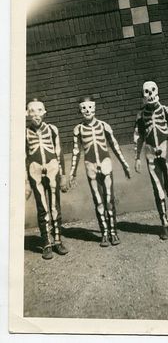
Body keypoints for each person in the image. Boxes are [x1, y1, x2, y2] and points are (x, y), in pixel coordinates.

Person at [69, 96, 131, 247]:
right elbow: (76, 151)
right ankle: (104, 233)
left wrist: (124, 164)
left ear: (94, 108)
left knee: (109, 199)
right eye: (84, 108)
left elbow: (115, 145)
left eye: (90, 107)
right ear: (79, 110)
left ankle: (113, 232)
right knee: (98, 201)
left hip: (106, 165)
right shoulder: (78, 129)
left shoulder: (104, 126)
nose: (87, 110)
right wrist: (72, 172)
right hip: (90, 166)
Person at [134, 81, 168, 240]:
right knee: (158, 189)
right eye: (146, 92)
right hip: (150, 153)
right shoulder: (141, 114)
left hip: (166, 150)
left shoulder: (166, 110)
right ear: (143, 96)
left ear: (157, 92)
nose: (149, 95)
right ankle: (164, 224)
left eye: (152, 91)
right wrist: (136, 157)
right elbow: (138, 135)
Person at [25, 99, 68, 259]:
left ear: (44, 112)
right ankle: (46, 242)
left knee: (55, 206)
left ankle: (57, 240)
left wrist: (63, 175)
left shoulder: (52, 129)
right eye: (32, 111)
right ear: (27, 114)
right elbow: (24, 156)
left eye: (39, 110)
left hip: (52, 169)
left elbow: (59, 152)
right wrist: (26, 180)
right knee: (42, 208)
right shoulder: (25, 132)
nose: (36, 114)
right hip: (35, 172)